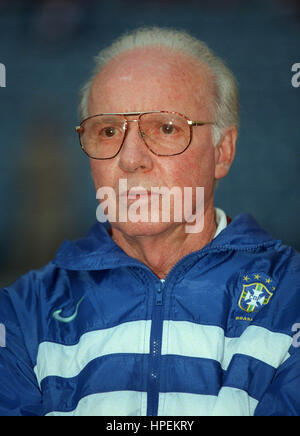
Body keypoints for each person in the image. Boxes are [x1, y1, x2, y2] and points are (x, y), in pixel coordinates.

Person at [0, 27, 299, 417]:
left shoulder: (292, 297)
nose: (131, 159)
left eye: (166, 128)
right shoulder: (20, 315)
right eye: (108, 131)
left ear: (222, 152)